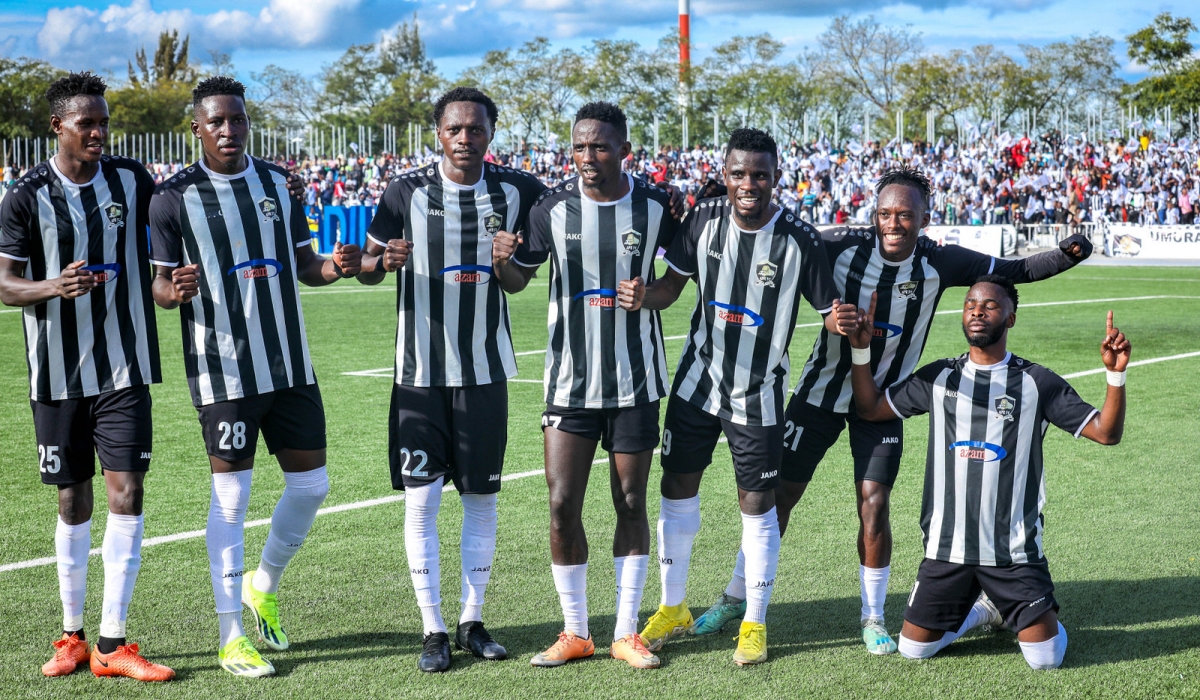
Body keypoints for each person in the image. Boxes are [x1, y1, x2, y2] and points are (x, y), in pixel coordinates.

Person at [696, 167, 1092, 655]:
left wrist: (1067, 255)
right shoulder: (839, 245)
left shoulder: (941, 263)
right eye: (885, 213)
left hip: (883, 406)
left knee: (875, 505)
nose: (894, 223)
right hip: (817, 396)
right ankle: (737, 597)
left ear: (924, 218)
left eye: (905, 214)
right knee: (777, 500)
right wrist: (713, 201)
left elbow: (1016, 270)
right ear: (873, 213)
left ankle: (872, 615)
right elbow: (777, 238)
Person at [149, 76, 362, 678]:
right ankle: (230, 636)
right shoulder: (173, 198)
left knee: (313, 485)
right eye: (216, 121)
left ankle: (260, 585)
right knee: (233, 499)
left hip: (290, 364)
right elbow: (161, 286)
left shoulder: (275, 183)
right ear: (197, 127)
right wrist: (175, 290)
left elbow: (304, 265)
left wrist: (335, 267)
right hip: (223, 372)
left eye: (237, 119)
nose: (228, 129)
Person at [623, 128, 847, 665]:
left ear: (776, 177)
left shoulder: (800, 239)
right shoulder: (703, 220)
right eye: (740, 174)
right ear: (726, 175)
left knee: (757, 505)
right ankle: (672, 606)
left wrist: (841, 322)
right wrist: (641, 296)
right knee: (676, 488)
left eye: (761, 175)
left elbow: (828, 313)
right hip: (697, 382)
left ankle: (754, 620)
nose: (750, 184)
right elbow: (670, 289)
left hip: (759, 392)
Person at [354, 87, 545, 673]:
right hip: (418, 374)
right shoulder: (402, 192)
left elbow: (516, 285)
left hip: (485, 372)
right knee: (422, 502)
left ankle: (472, 619)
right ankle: (432, 626)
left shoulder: (519, 192)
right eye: (455, 129)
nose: (465, 139)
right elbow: (364, 271)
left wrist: (506, 261)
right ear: (437, 132)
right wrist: (379, 262)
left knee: (482, 500)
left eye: (476, 129)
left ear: (491, 132)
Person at [845, 276, 1129, 669]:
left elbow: (1106, 433)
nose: (977, 310)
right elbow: (871, 408)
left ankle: (1005, 608)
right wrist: (861, 351)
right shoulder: (938, 377)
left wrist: (1115, 377)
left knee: (1045, 660)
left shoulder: (1036, 383)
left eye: (990, 305)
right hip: (947, 550)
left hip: (1013, 553)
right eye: (970, 304)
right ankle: (985, 610)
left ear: (1010, 318)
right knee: (913, 650)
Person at [0, 71, 174, 682]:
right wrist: (54, 286)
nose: (99, 132)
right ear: (58, 127)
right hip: (55, 374)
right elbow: (3, 283)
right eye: (87, 123)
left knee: (127, 493)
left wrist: (168, 283)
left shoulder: (132, 179)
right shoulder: (24, 195)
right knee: (72, 498)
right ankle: (71, 636)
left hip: (124, 367)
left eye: (104, 121)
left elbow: (168, 240)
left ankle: (113, 643)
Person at [493, 102, 678, 669]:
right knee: (561, 504)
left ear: (624, 148)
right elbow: (518, 280)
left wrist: (649, 295)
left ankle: (626, 632)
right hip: (568, 384)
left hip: (635, 381)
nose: (588, 157)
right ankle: (576, 631)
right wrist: (502, 260)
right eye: (579, 146)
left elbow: (678, 281)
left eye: (600, 146)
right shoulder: (552, 209)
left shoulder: (654, 206)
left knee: (629, 501)